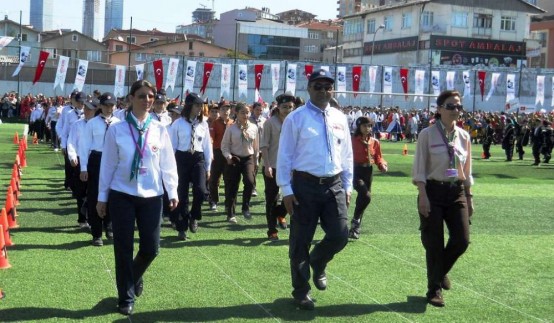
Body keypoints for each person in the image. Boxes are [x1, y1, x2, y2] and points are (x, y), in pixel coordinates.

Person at [96, 80, 179, 316]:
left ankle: (133, 275)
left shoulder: (160, 128)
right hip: (122, 194)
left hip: (152, 195)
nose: (147, 100)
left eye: (151, 96)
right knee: (123, 246)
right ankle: (126, 296)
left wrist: (172, 191)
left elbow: (167, 164)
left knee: (151, 248)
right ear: (131, 99)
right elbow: (108, 165)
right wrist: (102, 197)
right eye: (142, 96)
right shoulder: (117, 129)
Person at [276, 69, 353, 310]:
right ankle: (301, 291)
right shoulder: (296, 118)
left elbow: (347, 155)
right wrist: (286, 189)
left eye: (327, 87)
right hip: (304, 186)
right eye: (318, 86)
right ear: (309, 89)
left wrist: (348, 185)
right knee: (300, 241)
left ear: (333, 90)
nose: (323, 91)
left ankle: (318, 261)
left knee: (340, 235)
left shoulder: (340, 117)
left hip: (334, 184)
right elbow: (284, 155)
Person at [412, 90, 474, 307]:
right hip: (433, 191)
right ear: (439, 110)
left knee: (462, 240)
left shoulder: (464, 136)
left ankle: (440, 271)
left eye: (458, 106)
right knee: (434, 243)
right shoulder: (426, 135)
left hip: (456, 192)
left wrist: (470, 196)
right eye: (451, 106)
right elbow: (419, 168)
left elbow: (466, 170)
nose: (456, 110)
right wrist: (423, 195)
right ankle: (434, 290)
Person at [169, 93, 212, 241]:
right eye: (197, 105)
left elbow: (207, 146)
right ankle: (182, 227)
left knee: (200, 190)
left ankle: (194, 216)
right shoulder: (178, 124)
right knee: (182, 194)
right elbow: (172, 146)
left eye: (201, 105)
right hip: (181, 158)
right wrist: (171, 166)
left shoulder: (203, 124)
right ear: (189, 106)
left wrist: (208, 167)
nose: (200, 108)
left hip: (198, 158)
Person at [79, 93, 120, 246]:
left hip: (113, 161)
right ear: (101, 106)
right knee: (95, 196)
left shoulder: (119, 123)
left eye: (112, 105)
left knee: (112, 193)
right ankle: (96, 233)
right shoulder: (92, 123)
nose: (109, 108)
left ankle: (109, 226)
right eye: (107, 105)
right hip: (96, 159)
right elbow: (83, 146)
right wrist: (83, 167)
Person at [260, 92, 295, 241]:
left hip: (291, 167)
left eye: (290, 107)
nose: (288, 110)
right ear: (278, 107)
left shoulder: (294, 122)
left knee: (293, 195)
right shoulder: (270, 123)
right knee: (272, 198)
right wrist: (267, 165)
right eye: (285, 107)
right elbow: (264, 146)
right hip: (273, 166)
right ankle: (272, 229)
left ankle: (281, 213)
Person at [349, 116, 388, 240]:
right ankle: (355, 221)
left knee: (363, 199)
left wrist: (382, 164)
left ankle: (355, 228)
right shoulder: (352, 140)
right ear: (359, 127)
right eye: (365, 126)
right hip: (355, 170)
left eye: (369, 126)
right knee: (366, 195)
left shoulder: (375, 142)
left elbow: (378, 157)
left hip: (368, 171)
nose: (368, 128)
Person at [221, 102, 259, 223]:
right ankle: (231, 213)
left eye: (247, 112)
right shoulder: (231, 128)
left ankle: (245, 207)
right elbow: (225, 146)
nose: (245, 115)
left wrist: (256, 159)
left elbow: (256, 146)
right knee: (232, 186)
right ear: (236, 113)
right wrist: (228, 157)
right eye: (242, 112)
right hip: (234, 158)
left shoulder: (253, 127)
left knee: (250, 181)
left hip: (248, 158)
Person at [67, 98, 97, 229]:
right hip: (80, 160)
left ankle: (94, 219)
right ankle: (82, 219)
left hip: (95, 160)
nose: (86, 111)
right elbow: (71, 142)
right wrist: (72, 156)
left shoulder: (100, 125)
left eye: (89, 109)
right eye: (85, 108)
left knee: (94, 191)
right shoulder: (77, 124)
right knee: (81, 192)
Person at [208, 101, 234, 211]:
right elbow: (211, 139)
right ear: (220, 111)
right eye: (223, 109)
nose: (225, 111)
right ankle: (213, 200)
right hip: (217, 153)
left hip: (229, 154)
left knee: (229, 180)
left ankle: (228, 203)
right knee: (214, 178)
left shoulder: (233, 123)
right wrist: (211, 153)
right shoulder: (215, 123)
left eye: (227, 109)